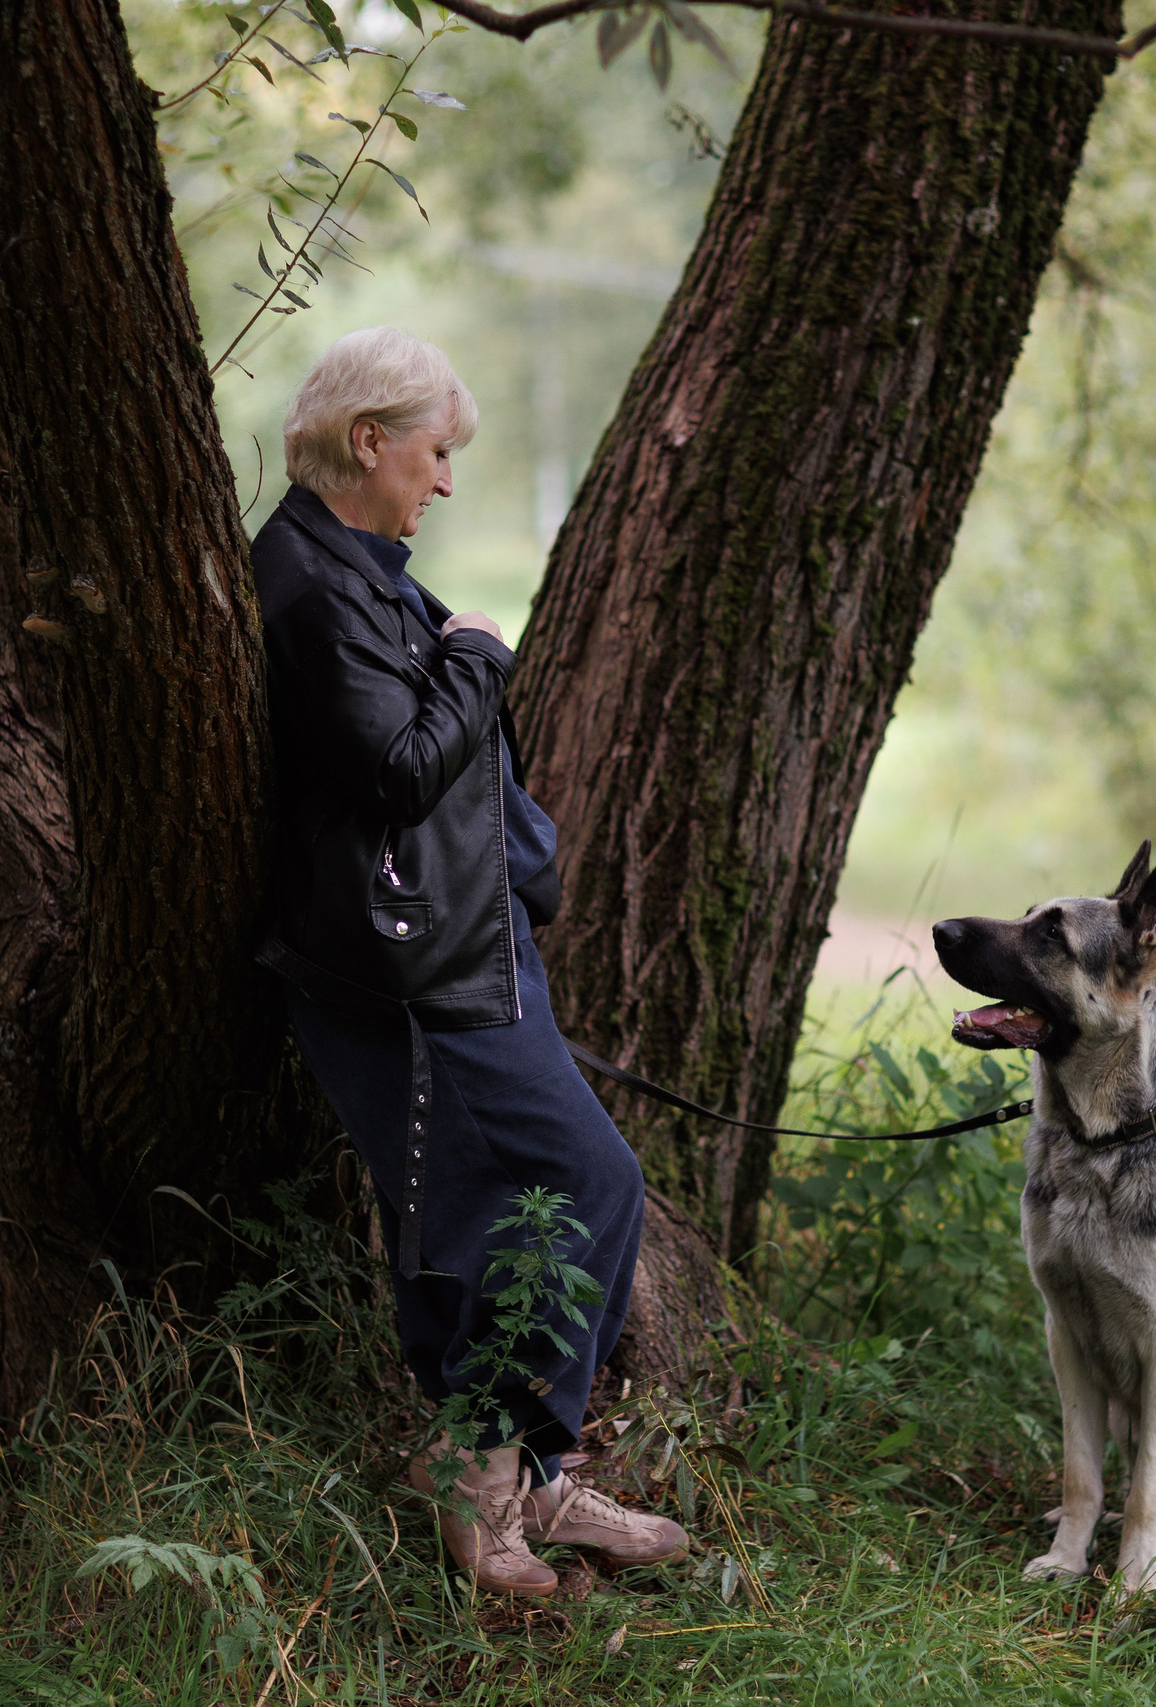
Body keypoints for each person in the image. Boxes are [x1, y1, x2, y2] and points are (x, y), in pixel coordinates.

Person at [250, 327, 687, 1597]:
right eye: (435, 454)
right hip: (408, 973)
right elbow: (393, 768)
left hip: (449, 949)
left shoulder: (350, 567)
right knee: (586, 1180)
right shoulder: (310, 581)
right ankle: (480, 1465)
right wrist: (481, 653)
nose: (444, 483)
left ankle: (530, 1483)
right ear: (368, 440)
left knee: (478, 1219)